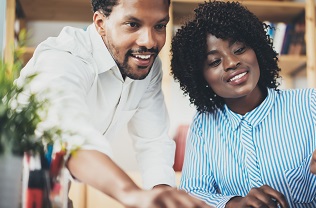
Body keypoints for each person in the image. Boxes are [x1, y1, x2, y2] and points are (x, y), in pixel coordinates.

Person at [15, 0, 209, 207]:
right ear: (100, 23)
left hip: (52, 192)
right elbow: (68, 136)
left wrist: (162, 193)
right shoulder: (64, 59)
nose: (149, 42)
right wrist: (133, 195)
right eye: (133, 25)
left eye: (159, 26)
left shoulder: (147, 67)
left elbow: (153, 140)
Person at [170, 1, 316, 208]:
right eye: (215, 62)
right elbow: (192, 194)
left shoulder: (311, 104)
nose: (231, 62)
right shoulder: (204, 124)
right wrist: (234, 203)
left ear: (257, 48)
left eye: (240, 49)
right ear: (200, 78)